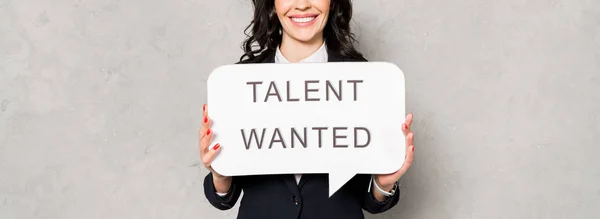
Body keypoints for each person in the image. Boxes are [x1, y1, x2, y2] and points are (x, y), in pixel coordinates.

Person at [199, 0, 416, 218]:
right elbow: (224, 198)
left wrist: (382, 183)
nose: (302, 5)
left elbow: (369, 200)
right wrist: (221, 172)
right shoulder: (237, 84)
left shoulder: (366, 82)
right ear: (272, 4)